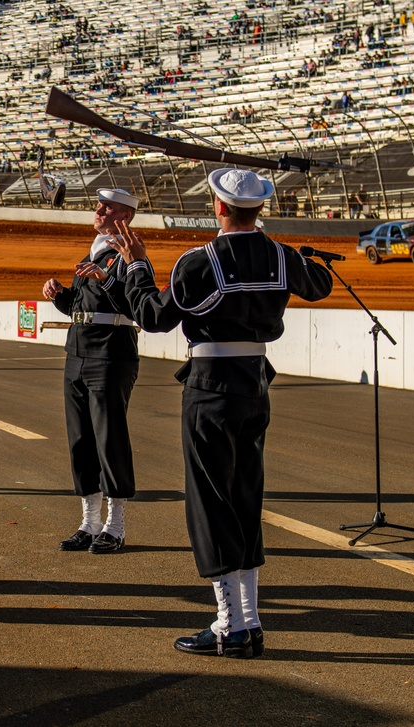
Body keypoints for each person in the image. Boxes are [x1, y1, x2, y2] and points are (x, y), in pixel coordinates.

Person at [99, 168, 332, 659]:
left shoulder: (198, 261)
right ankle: (247, 621)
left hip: (210, 386)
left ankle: (230, 623)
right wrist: (293, 257)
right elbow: (318, 286)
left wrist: (137, 266)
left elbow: (153, 318)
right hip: (255, 383)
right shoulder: (280, 255)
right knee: (245, 497)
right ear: (259, 209)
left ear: (219, 208)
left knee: (211, 501)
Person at [42, 188, 145, 555]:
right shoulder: (96, 248)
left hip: (110, 355)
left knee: (109, 438)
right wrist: (59, 296)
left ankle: (115, 525)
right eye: (99, 206)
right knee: (81, 441)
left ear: (126, 217)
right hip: (79, 353)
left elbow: (138, 306)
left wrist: (107, 278)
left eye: (108, 207)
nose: (99, 210)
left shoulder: (131, 254)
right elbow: (82, 308)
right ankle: (88, 521)